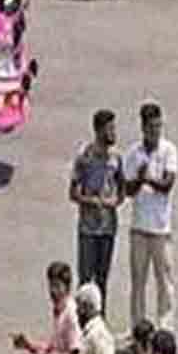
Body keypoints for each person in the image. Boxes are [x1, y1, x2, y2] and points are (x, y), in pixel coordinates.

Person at [124, 103, 178, 332]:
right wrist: (139, 179)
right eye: (151, 127)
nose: (155, 131)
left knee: (164, 281)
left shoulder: (168, 150)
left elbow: (167, 184)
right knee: (138, 281)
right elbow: (128, 190)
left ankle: (166, 328)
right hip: (139, 227)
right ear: (143, 127)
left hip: (161, 228)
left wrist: (147, 179)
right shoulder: (133, 153)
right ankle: (138, 328)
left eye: (158, 126)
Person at [70, 109, 124, 308]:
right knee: (86, 279)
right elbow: (73, 193)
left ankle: (100, 317)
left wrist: (114, 202)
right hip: (88, 228)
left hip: (108, 227)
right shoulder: (85, 157)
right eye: (109, 129)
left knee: (102, 280)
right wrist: (91, 201)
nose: (113, 133)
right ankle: (81, 318)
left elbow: (122, 188)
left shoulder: (116, 157)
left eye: (114, 128)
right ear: (99, 130)